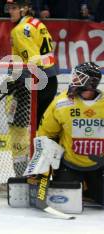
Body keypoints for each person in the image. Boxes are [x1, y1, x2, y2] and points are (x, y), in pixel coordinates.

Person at [6, 0, 58, 176]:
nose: (10, 11)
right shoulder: (37, 23)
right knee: (41, 128)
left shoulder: (19, 30)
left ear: (24, 8)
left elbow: (31, 64)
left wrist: (15, 82)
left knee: (18, 126)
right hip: (49, 80)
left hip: (33, 82)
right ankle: (44, 170)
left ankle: (25, 173)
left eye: (14, 8)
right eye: (9, 8)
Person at [37, 62, 104, 206]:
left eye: (79, 77)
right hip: (70, 164)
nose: (74, 80)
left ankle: (89, 189)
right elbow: (45, 135)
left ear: (91, 82)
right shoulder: (62, 103)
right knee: (65, 200)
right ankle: (84, 186)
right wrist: (42, 170)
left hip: (99, 165)